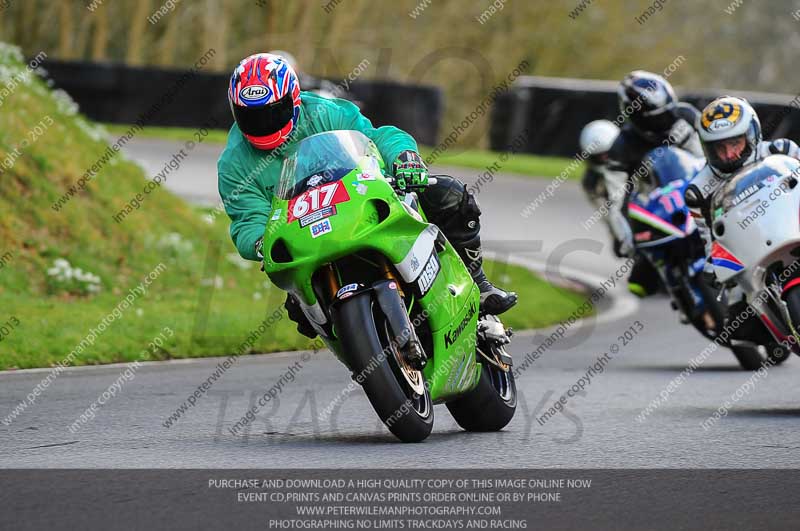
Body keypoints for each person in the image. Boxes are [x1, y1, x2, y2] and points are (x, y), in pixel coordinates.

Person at [217, 53, 517, 338]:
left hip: (359, 204)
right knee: (300, 312)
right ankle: (359, 345)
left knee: (447, 194)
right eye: (251, 117)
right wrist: (260, 241)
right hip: (308, 240)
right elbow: (247, 219)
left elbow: (377, 136)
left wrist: (404, 157)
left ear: (294, 101)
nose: (264, 124)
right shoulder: (233, 164)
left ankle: (479, 284)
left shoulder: (324, 112)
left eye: (273, 112)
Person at [605, 70, 702, 296]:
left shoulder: (686, 116)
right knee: (639, 284)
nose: (665, 121)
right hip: (655, 206)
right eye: (657, 117)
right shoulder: (622, 147)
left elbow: (707, 156)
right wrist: (624, 235)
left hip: (697, 189)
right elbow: (616, 197)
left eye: (667, 113)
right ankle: (672, 279)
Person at [685, 95, 800, 266]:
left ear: (751, 136)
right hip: (749, 257)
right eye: (719, 148)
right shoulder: (699, 190)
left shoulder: (783, 150)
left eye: (735, 143)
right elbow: (711, 244)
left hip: (792, 229)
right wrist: (714, 266)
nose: (729, 154)